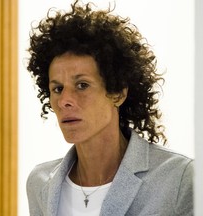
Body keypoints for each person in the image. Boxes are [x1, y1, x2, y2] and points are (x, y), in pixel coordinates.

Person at [26, 1, 194, 215]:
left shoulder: (179, 178)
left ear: (118, 93)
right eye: (57, 88)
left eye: (82, 85)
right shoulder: (39, 183)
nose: (65, 100)